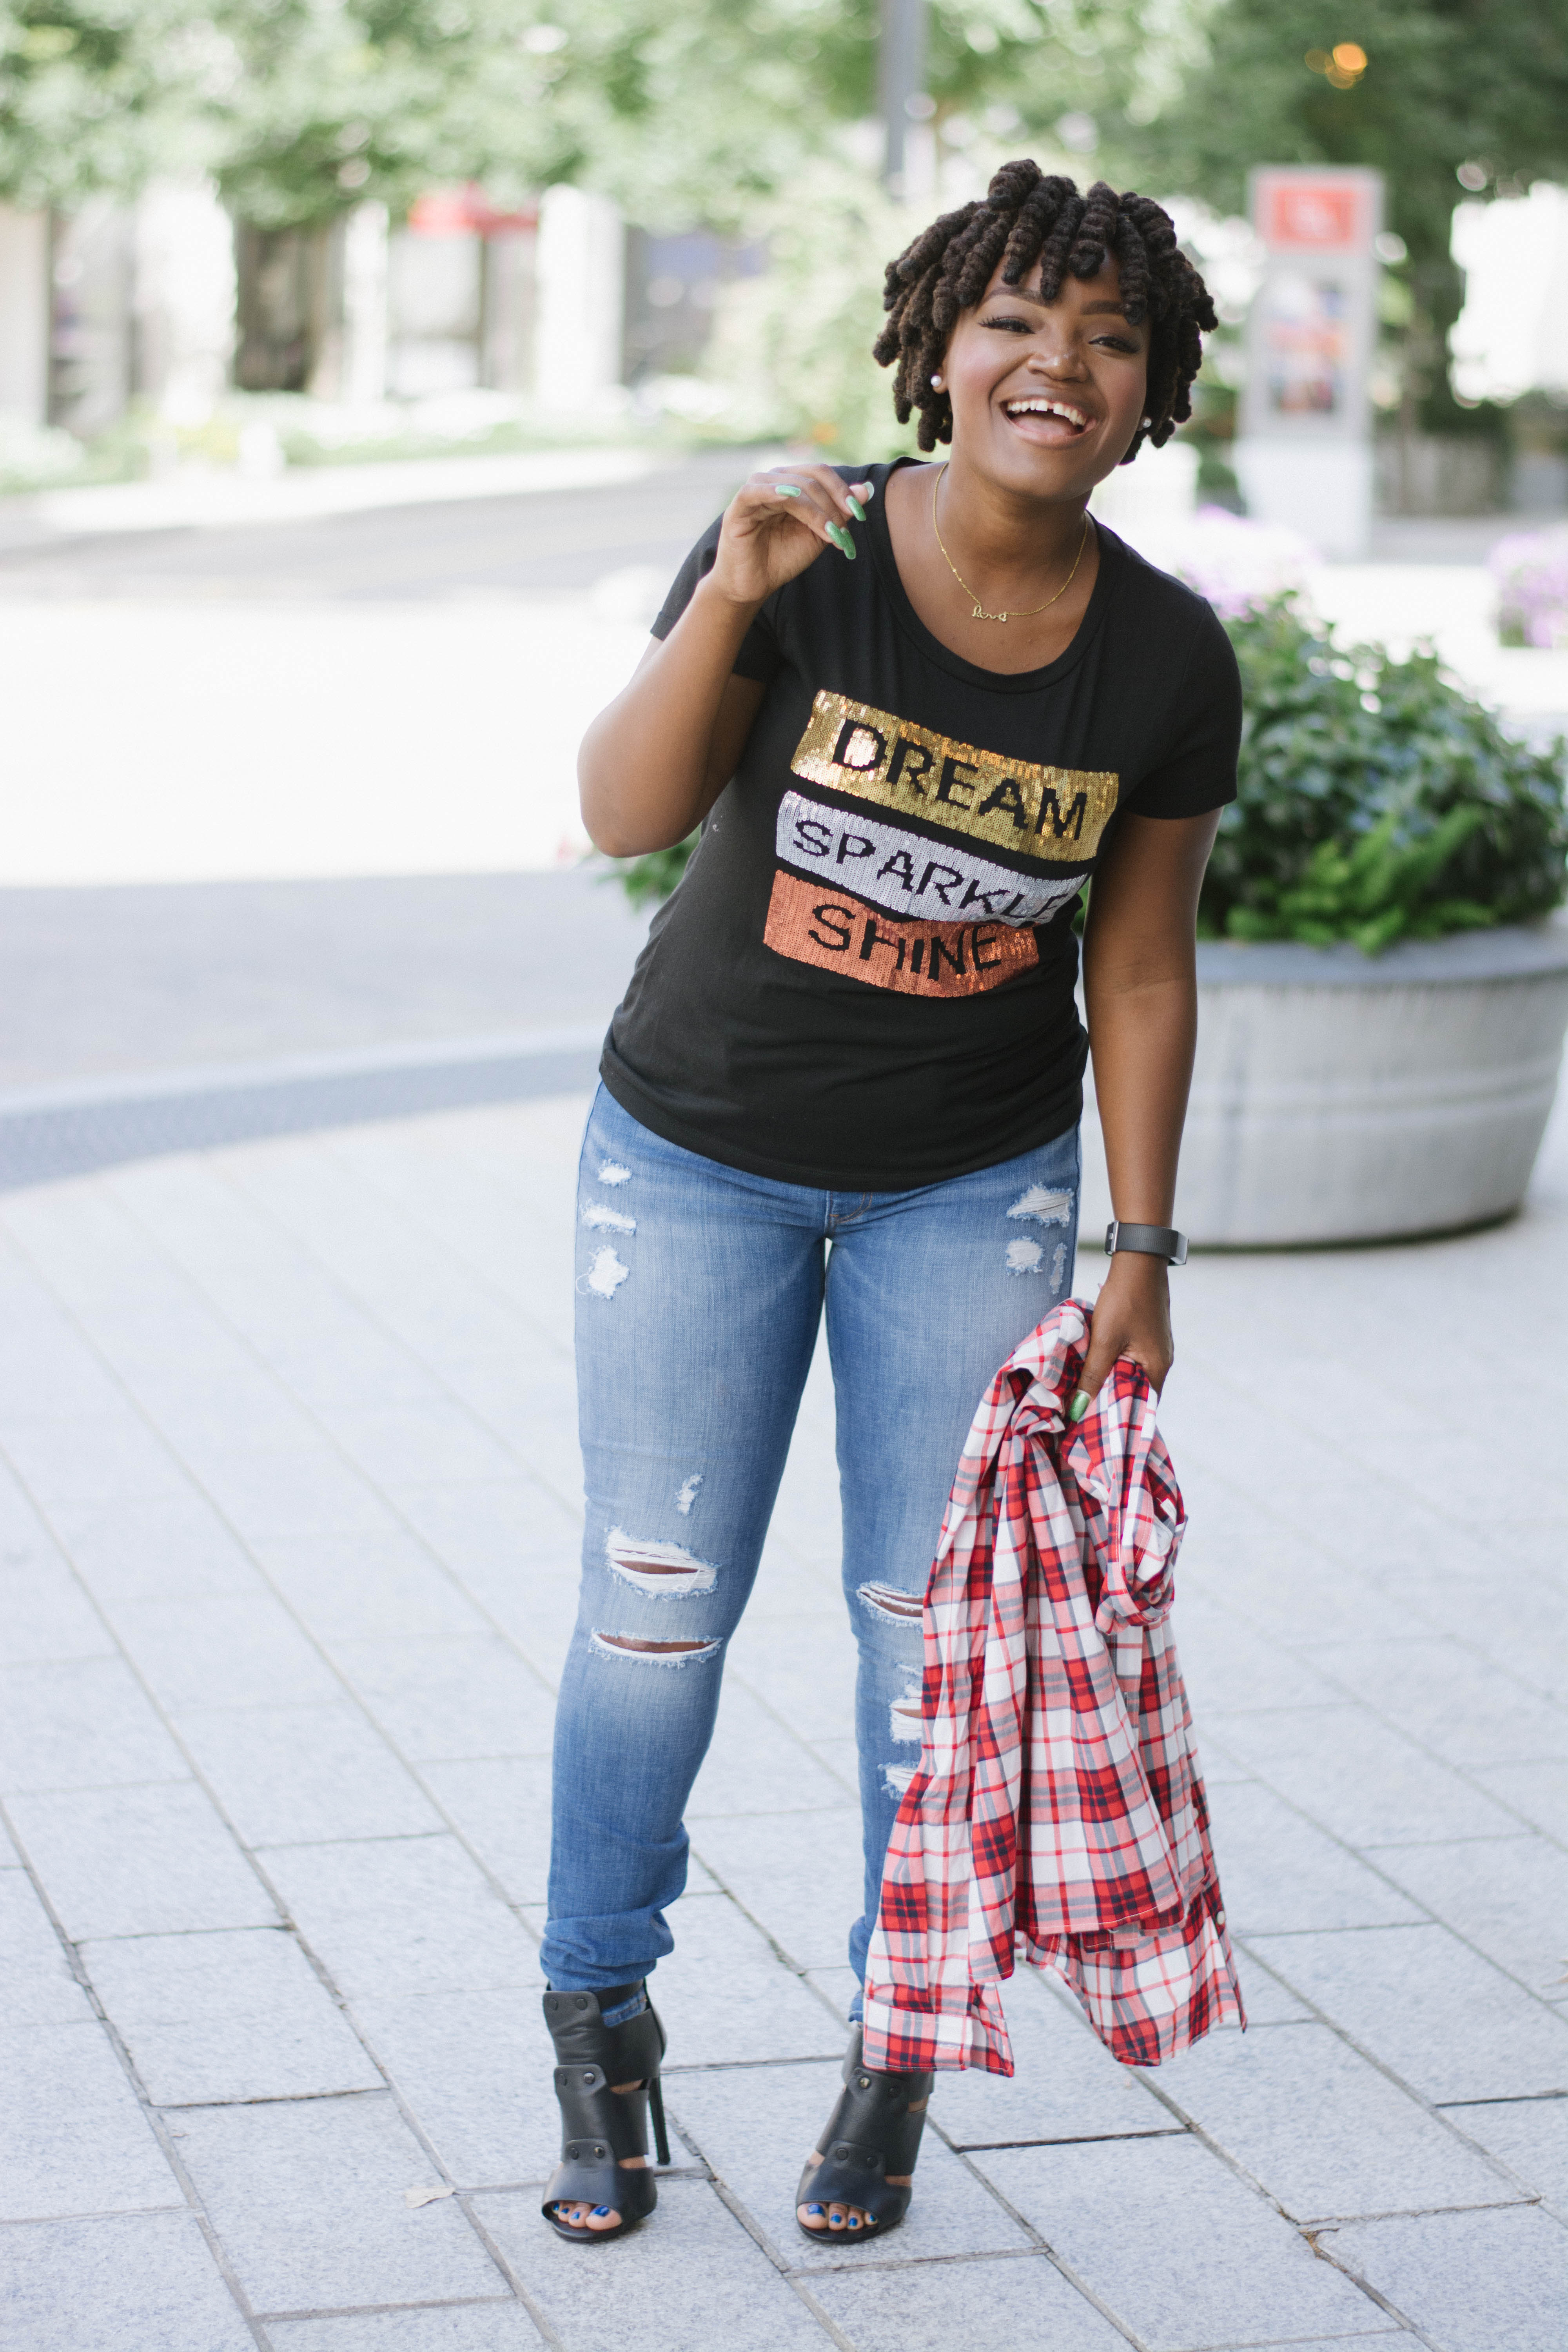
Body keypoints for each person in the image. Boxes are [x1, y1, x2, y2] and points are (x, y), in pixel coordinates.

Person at [539, 160, 1238, 2247]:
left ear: (1152, 394)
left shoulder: (1167, 658)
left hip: (971, 1186)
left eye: (1110, 338)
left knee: (931, 1646)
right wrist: (730, 597)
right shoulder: (805, 543)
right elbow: (626, 814)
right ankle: (600, 2022)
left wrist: (1140, 1250)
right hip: (693, 1156)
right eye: (1018, 319)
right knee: (655, 1614)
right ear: (941, 347)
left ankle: (896, 2045)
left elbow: (1140, 968)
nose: (1059, 364)